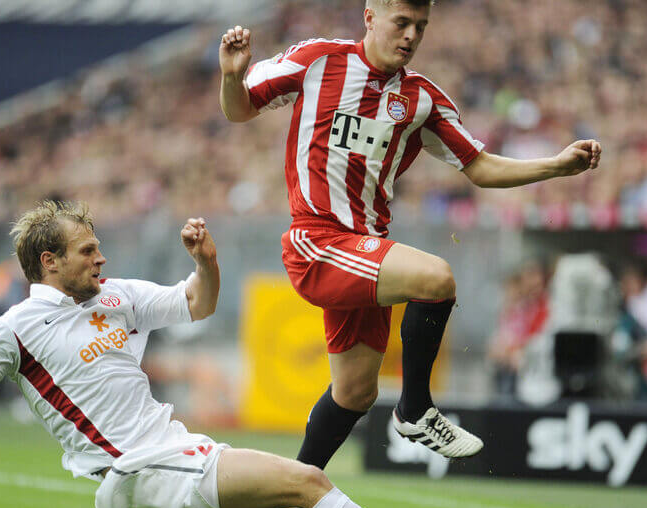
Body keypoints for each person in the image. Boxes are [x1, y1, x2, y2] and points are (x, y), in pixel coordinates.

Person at [218, 0, 601, 468]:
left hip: (366, 250)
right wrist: (232, 78)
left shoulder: (422, 99)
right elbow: (239, 111)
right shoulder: (318, 60)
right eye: (402, 22)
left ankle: (293, 494)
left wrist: (556, 165)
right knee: (435, 278)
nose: (411, 36)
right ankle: (416, 409)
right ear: (370, 16)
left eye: (421, 26)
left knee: (355, 392)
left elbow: (479, 167)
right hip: (318, 241)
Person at [0, 200, 409, 508]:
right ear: (49, 261)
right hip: (137, 472)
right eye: (88, 250)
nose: (101, 258)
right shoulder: (14, 328)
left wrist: (206, 264)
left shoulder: (116, 296)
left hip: (170, 455)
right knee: (307, 482)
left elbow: (198, 303)